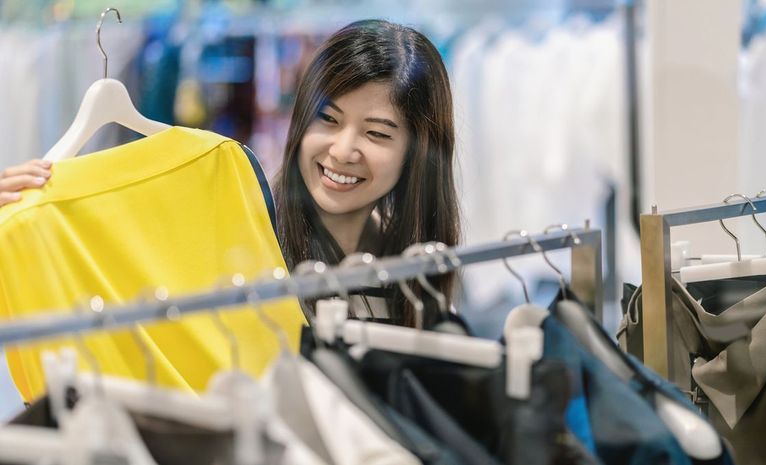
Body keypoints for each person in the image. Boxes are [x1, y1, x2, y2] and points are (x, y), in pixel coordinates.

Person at [0, 19, 460, 328]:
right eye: (328, 119)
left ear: (418, 151)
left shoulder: (415, 264)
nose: (342, 150)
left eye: (377, 133)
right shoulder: (228, 227)